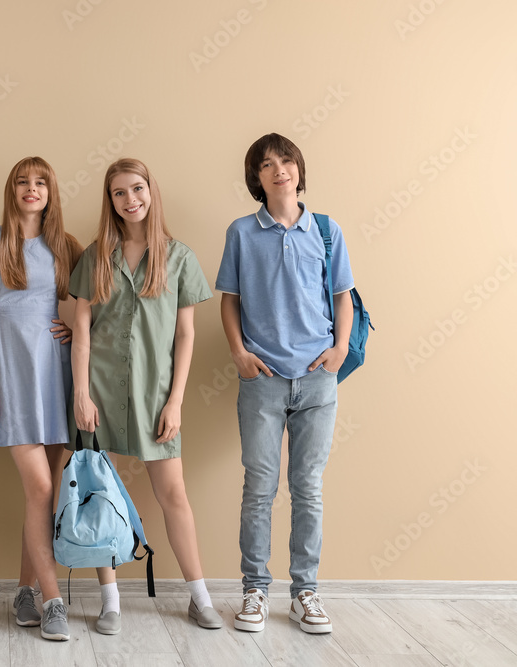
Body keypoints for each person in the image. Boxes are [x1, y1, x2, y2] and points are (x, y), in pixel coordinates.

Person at [70, 158, 221, 635]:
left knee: (173, 494)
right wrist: (80, 393)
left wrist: (175, 401)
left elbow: (186, 336)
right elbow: (80, 330)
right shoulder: (95, 256)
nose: (130, 199)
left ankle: (200, 597)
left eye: (137, 189)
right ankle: (109, 601)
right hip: (99, 393)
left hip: (156, 396)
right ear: (109, 201)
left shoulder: (178, 257)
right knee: (99, 496)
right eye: (119, 192)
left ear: (151, 192)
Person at [216, 133, 354, 634]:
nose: (280, 170)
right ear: (257, 177)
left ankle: (305, 593)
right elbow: (229, 299)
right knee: (259, 488)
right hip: (263, 379)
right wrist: (239, 353)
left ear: (299, 169)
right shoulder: (241, 232)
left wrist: (339, 350)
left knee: (308, 489)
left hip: (318, 379)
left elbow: (343, 295)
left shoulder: (327, 230)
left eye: (287, 161)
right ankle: (254, 590)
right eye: (268, 164)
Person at [0, 157, 82, 641]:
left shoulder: (67, 246)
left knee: (48, 495)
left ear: (51, 192)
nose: (31, 189)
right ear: (11, 190)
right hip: (10, 371)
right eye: (22, 182)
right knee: (39, 489)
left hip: (57, 373)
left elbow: (89, 310)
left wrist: (75, 329)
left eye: (40, 182)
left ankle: (24, 591)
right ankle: (53, 601)